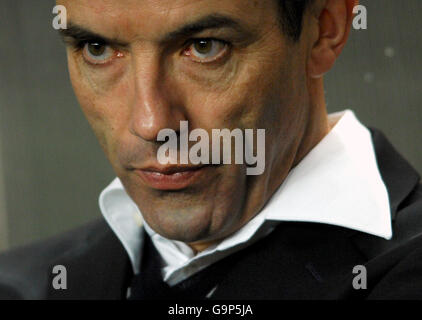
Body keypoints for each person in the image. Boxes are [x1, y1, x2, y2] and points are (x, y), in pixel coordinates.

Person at [0, 0, 421, 300]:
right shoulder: (20, 284)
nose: (150, 123)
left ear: (325, 29)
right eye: (98, 49)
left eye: (205, 47)